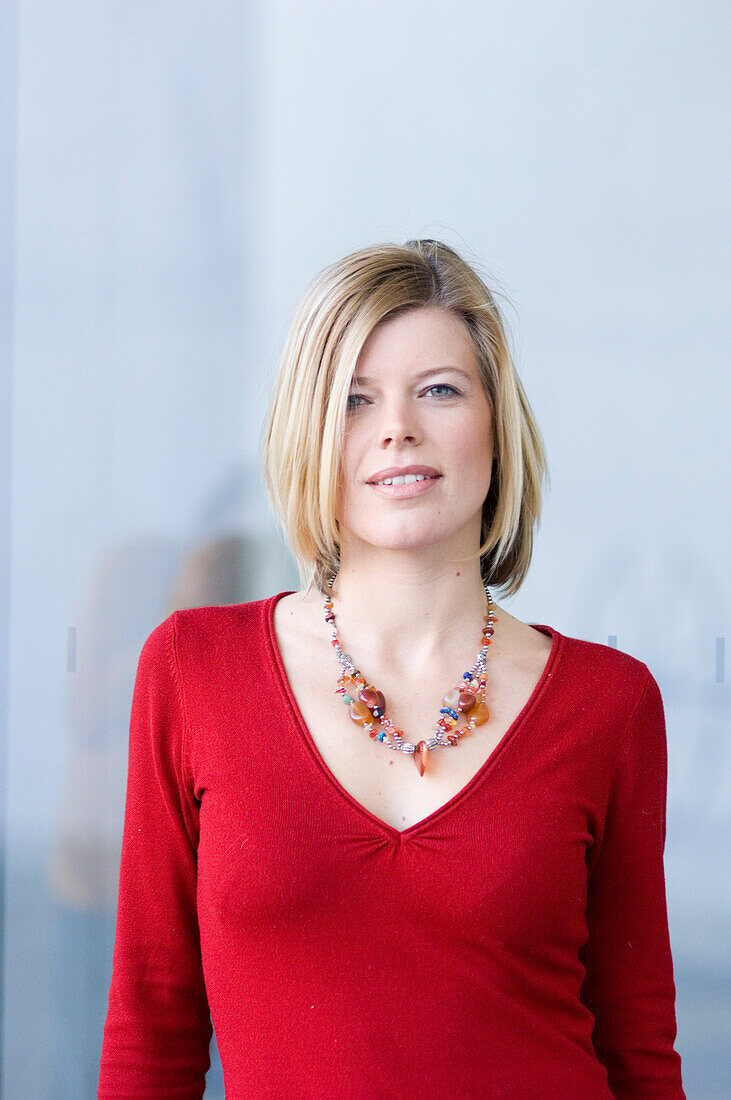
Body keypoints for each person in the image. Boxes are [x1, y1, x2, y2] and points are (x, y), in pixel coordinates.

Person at [98, 239, 685, 1098]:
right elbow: (152, 1031)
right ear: (310, 431)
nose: (396, 427)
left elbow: (639, 1050)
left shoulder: (609, 702)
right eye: (353, 399)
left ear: (495, 421)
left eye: (439, 390)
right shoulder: (193, 670)